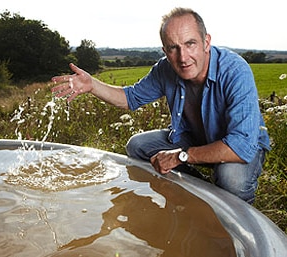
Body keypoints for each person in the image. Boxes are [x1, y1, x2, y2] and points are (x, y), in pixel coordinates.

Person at [51, 7, 270, 204]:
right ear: (165, 51)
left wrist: (180, 156)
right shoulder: (165, 69)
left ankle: (241, 216)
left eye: (190, 44)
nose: (183, 57)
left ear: (206, 42)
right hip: (194, 137)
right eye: (173, 48)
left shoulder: (235, 71)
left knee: (231, 179)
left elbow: (241, 146)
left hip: (238, 146)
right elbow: (131, 98)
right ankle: (199, 191)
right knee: (137, 146)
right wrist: (92, 85)